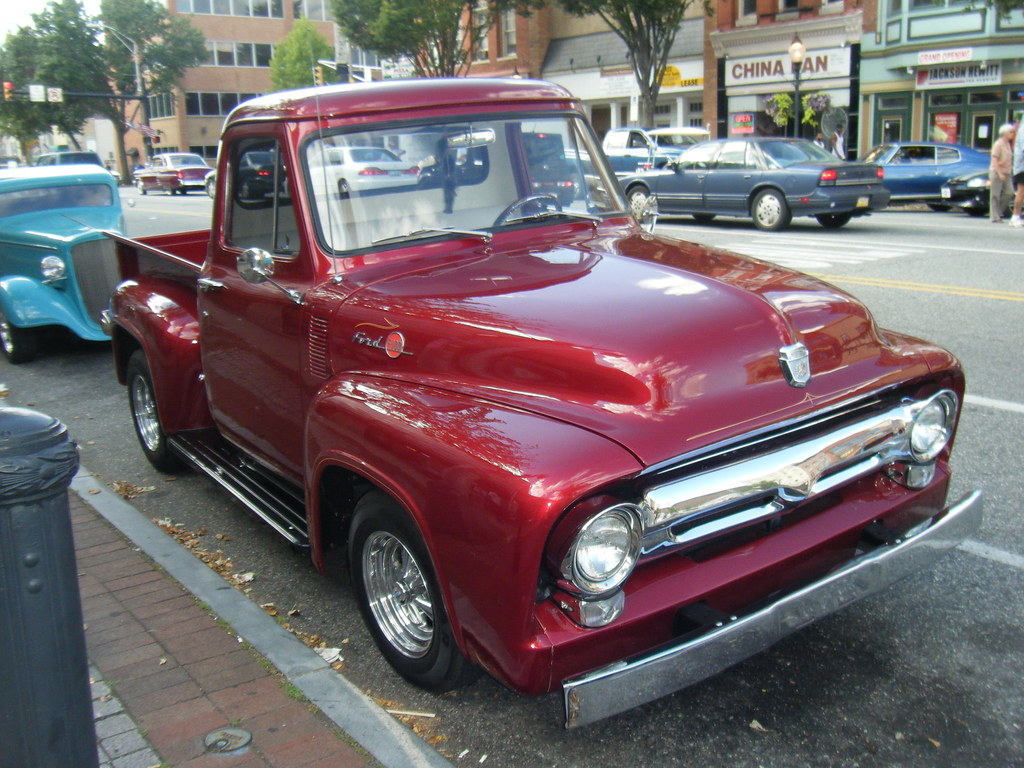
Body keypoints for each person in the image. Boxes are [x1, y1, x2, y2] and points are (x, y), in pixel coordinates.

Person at [989, 123, 1015, 223]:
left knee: (1009, 192)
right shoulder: (998, 144)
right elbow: (994, 159)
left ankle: (998, 211)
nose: (1012, 134)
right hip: (997, 171)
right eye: (1010, 132)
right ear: (1004, 133)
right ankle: (994, 216)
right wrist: (999, 173)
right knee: (995, 194)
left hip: (1007, 172)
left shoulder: (1008, 144)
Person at [1010, 121, 1024, 227]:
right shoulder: (1023, 130)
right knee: (1021, 192)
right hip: (1022, 167)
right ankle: (1015, 216)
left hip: (1020, 167)